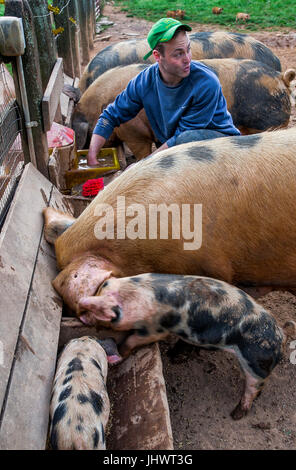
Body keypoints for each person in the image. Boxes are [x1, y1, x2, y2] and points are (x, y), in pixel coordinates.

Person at [87, 17, 240, 166]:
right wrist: (91, 154)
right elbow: (111, 115)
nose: (187, 59)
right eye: (178, 54)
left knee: (186, 138)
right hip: (182, 145)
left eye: (188, 49)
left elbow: (184, 139)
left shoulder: (206, 82)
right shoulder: (144, 81)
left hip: (219, 145)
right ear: (157, 56)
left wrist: (143, 166)